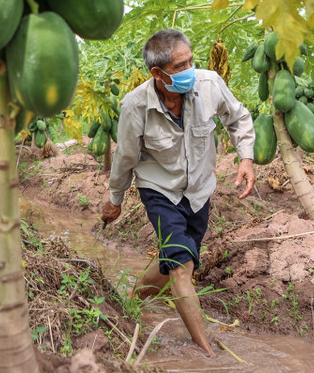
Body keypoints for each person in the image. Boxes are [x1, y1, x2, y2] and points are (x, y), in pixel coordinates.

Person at [99, 29, 256, 356]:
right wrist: (115, 199)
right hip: (160, 189)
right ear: (157, 73)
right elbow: (125, 157)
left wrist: (246, 158)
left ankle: (133, 302)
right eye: (179, 67)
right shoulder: (135, 106)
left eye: (190, 62)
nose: (189, 71)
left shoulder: (210, 84)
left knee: (176, 259)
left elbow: (238, 118)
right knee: (182, 266)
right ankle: (206, 351)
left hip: (199, 190)